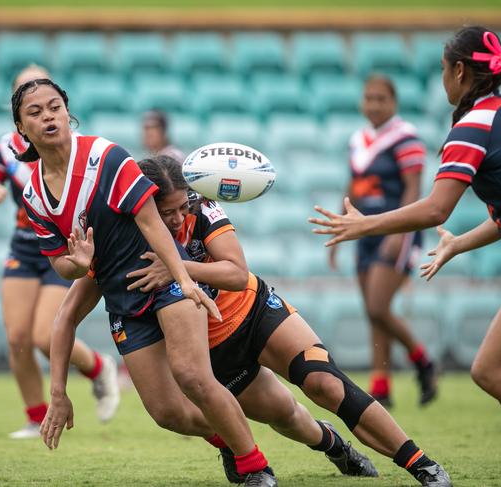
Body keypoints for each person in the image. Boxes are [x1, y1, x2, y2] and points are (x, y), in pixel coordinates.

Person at [310, 26, 501, 487]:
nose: (442, 78)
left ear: (460, 70)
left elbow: (435, 207)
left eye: (444, 69)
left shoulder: (474, 125)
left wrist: (365, 224)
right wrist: (458, 243)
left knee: (492, 369)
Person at [123, 155, 452, 487]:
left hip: (256, 312)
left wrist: (178, 268)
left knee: (325, 383)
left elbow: (236, 273)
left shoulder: (204, 210)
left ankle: (423, 465)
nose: (178, 218)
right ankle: (335, 446)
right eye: (167, 213)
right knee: (288, 417)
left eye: (183, 207)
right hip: (216, 351)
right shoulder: (129, 235)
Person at [15, 78, 277, 487]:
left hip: (163, 278)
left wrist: (183, 279)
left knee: (192, 376)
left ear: (68, 112)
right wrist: (58, 393)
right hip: (123, 299)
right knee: (165, 413)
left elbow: (151, 221)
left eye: (54, 107)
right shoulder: (33, 193)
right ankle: (228, 441)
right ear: (21, 128)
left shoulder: (106, 157)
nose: (47, 116)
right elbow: (62, 267)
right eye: (35, 112)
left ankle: (255, 468)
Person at [0, 65, 119, 439]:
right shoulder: (6, 148)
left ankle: (98, 367)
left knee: (43, 334)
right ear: (18, 110)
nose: (41, 106)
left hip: (66, 248)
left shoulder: (78, 144)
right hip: (25, 246)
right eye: (26, 93)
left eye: (47, 98)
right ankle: (36, 415)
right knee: (17, 337)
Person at [330, 74, 437, 407]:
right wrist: (338, 229)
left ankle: (422, 360)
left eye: (381, 98)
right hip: (363, 230)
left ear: (394, 102)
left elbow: (412, 189)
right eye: (369, 98)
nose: (374, 104)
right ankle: (381, 385)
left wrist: (399, 232)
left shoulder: (406, 139)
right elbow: (353, 188)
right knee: (373, 311)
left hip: (394, 229)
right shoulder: (358, 140)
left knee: (377, 305)